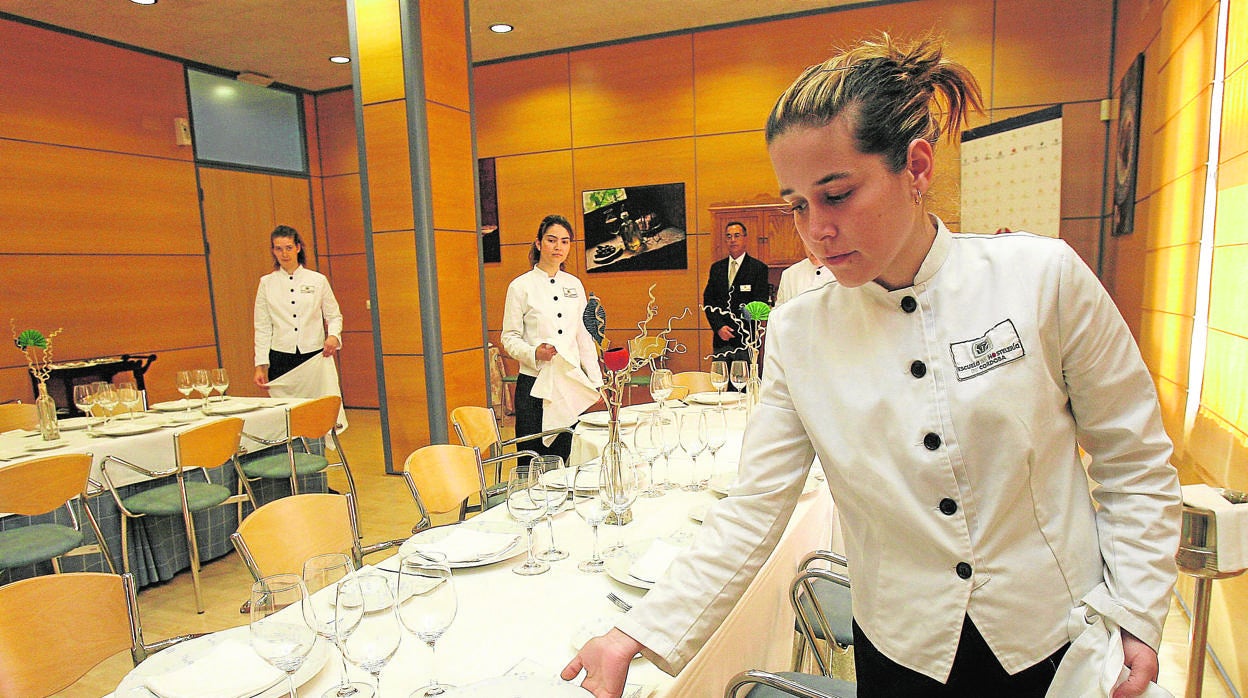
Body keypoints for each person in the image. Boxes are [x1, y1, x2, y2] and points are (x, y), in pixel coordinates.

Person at [563, 33, 1180, 698]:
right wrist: (638, 632)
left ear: (916, 167)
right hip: (903, 653)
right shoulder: (801, 331)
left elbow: (1133, 456)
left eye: (836, 194)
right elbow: (754, 507)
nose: (815, 230)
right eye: (797, 204)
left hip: (1053, 640)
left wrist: (1138, 611)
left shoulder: (1041, 279)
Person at [501, 214, 603, 463]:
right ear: (538, 244)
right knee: (533, 461)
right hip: (533, 385)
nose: (558, 247)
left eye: (565, 241)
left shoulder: (575, 285)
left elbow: (583, 337)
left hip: (568, 384)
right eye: (552, 240)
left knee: (566, 458)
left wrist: (596, 382)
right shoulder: (520, 286)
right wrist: (534, 352)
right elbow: (509, 337)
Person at [253, 225, 343, 388]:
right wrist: (260, 365)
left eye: (289, 248)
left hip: (315, 355)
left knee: (320, 405)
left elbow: (334, 315)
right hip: (281, 357)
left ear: (298, 248)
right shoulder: (266, 283)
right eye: (279, 249)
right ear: (273, 251)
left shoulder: (318, 280)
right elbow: (262, 327)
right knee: (287, 409)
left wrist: (333, 336)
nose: (284, 254)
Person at [702, 221, 770, 365]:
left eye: (737, 235)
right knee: (721, 382)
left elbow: (761, 302)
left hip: (746, 339)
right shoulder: (717, 268)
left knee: (745, 383)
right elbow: (709, 301)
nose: (733, 240)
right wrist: (719, 327)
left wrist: (742, 326)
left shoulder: (758, 268)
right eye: (729, 236)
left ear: (745, 238)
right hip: (722, 339)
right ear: (725, 240)